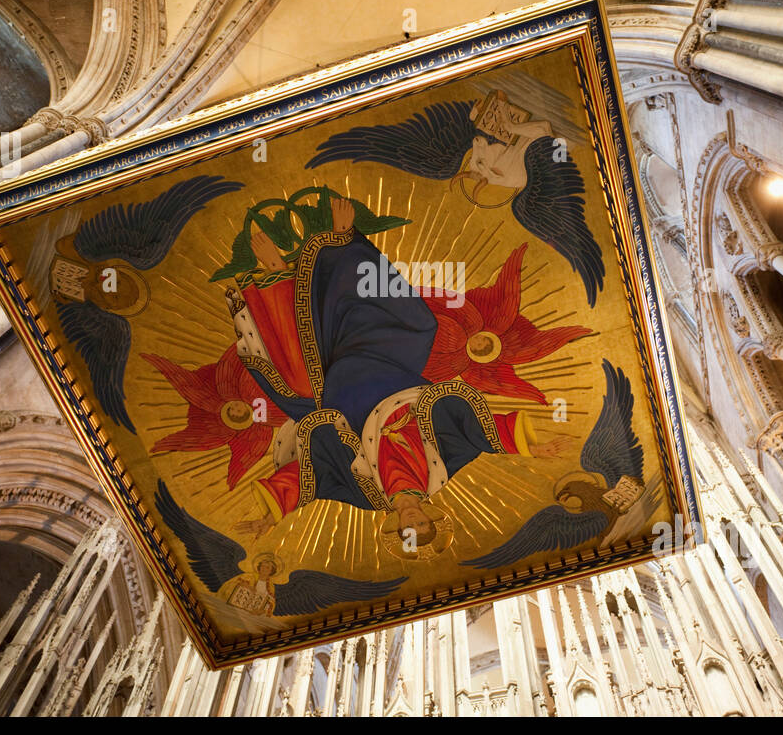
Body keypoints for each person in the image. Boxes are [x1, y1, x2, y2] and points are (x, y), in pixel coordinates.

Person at [225, 196, 571, 545]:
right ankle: (346, 246)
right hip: (394, 378)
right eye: (423, 526)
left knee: (298, 380)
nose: (414, 522)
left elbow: (316, 475)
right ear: (431, 517)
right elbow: (474, 432)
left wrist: (271, 517)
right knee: (420, 324)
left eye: (409, 530)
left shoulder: (367, 495)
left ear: (396, 529)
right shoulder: (439, 471)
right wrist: (532, 448)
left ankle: (278, 278)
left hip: (347, 397)